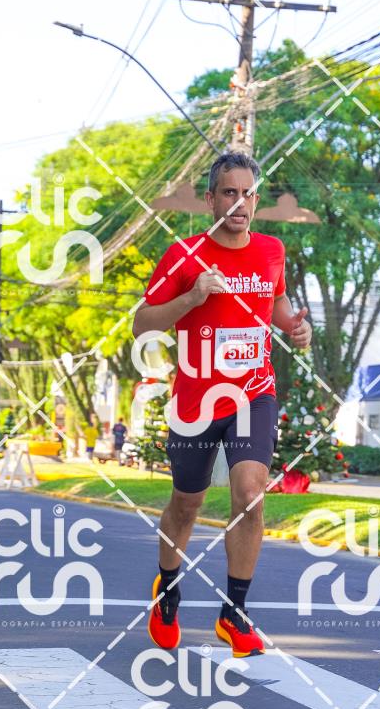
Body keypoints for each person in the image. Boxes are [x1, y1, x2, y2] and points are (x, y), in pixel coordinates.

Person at [132, 152, 311, 658]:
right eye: (229, 192)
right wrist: (191, 298)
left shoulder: (272, 250)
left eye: (247, 193)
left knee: (251, 494)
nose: (239, 202)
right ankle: (168, 589)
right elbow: (142, 324)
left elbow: (276, 301)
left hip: (254, 392)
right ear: (211, 199)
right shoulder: (183, 255)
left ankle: (235, 613)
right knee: (186, 503)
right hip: (197, 400)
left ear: (256, 199)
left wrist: (293, 327)